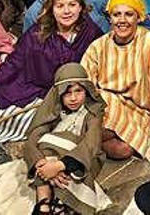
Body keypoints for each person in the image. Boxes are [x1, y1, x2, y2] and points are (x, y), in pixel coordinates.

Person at [0, 0, 102, 141]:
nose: (67, 11)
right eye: (60, 6)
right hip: (36, 87)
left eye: (72, 5)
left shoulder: (91, 31)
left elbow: (101, 63)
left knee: (50, 122)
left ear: (81, 7)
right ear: (51, 9)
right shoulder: (38, 31)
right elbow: (15, 61)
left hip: (72, 93)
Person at [82, 0, 150, 160]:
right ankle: (82, 146)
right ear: (110, 18)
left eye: (129, 14)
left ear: (138, 18)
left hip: (139, 110)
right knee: (104, 128)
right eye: (117, 15)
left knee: (123, 151)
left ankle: (85, 141)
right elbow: (87, 83)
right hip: (106, 104)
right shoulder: (98, 47)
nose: (122, 20)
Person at [23, 63, 104, 215]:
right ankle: (44, 203)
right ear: (59, 94)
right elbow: (32, 139)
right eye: (67, 93)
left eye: (78, 91)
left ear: (86, 91)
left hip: (83, 157)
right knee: (44, 144)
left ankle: (62, 201)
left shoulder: (93, 112)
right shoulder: (55, 110)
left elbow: (90, 144)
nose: (73, 98)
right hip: (52, 160)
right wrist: (42, 165)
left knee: (50, 142)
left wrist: (59, 166)